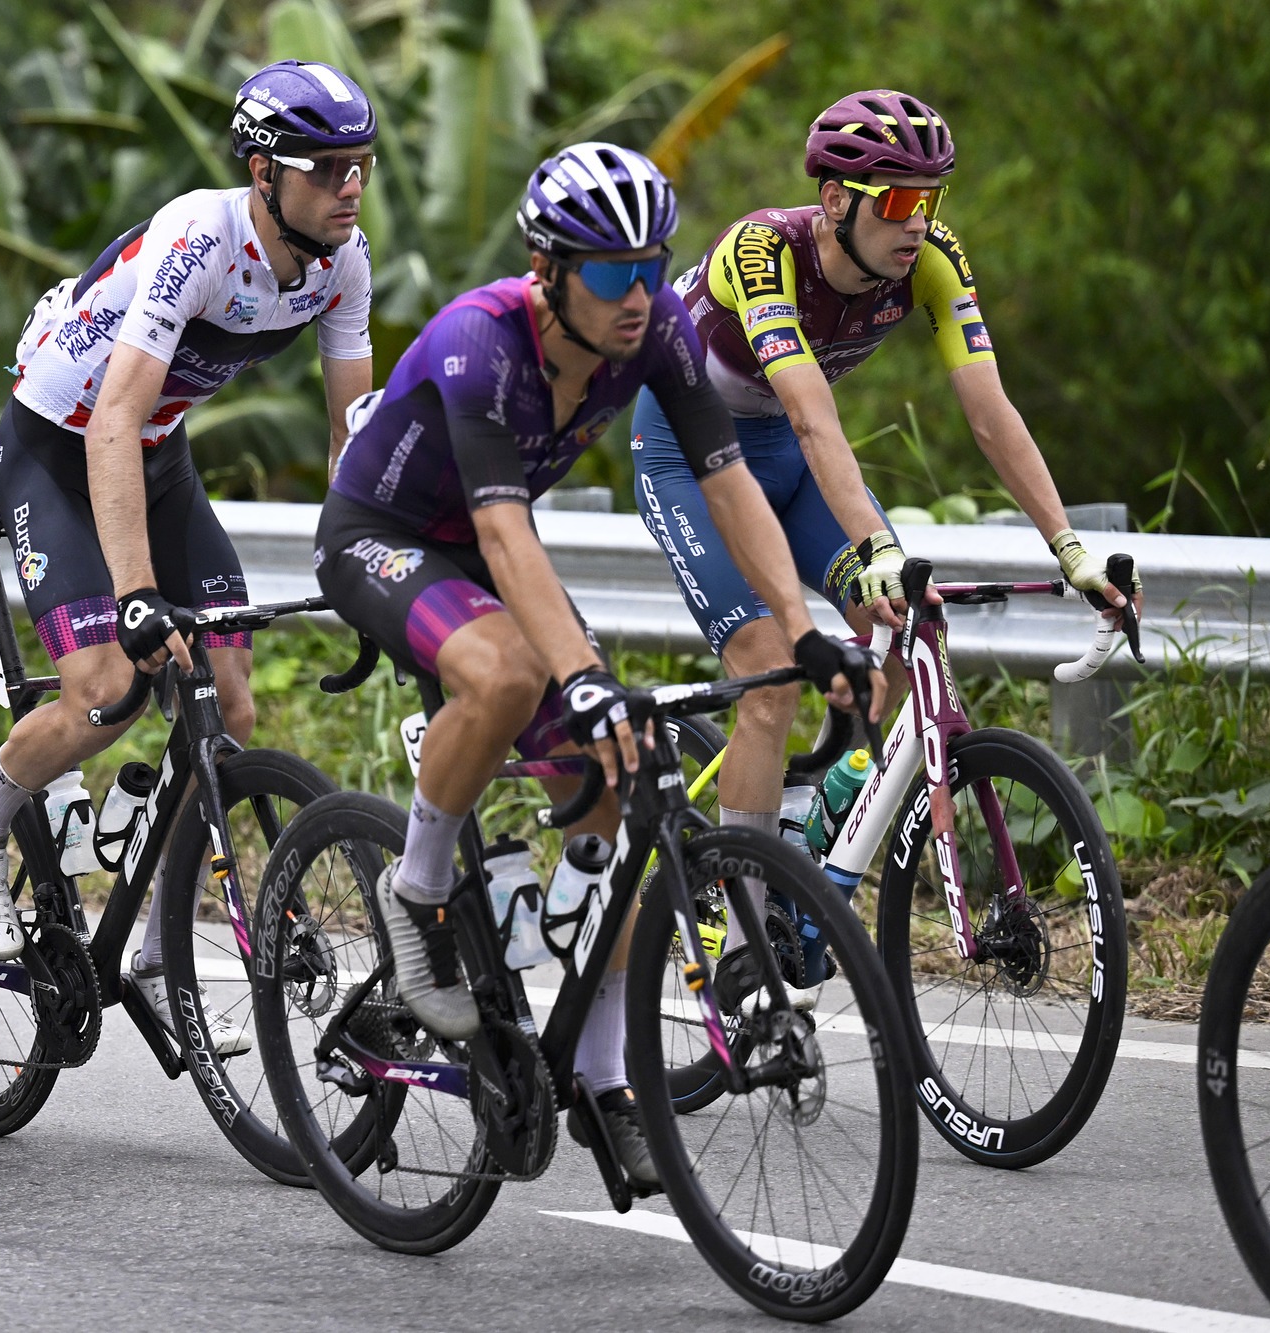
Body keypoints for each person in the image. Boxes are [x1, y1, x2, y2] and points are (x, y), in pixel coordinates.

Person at [318, 142, 879, 1188]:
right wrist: (576, 670)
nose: (640, 294)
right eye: (614, 273)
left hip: (492, 549)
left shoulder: (657, 327)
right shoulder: (477, 342)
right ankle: (416, 885)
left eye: (651, 264)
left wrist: (800, 630)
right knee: (509, 676)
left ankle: (597, 1073)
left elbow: (726, 481)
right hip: (386, 534)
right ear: (549, 269)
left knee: (623, 772)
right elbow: (500, 535)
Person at [634, 88, 1138, 979]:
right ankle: (743, 932)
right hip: (689, 455)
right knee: (768, 673)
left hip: (787, 461)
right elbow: (815, 415)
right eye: (900, 199)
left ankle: (819, 812)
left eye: (932, 197)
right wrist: (878, 547)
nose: (919, 222)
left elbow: (990, 414)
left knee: (911, 634)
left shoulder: (931, 260)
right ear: (837, 200)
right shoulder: (764, 253)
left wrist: (1070, 547)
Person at [0, 60, 377, 1055]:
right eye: (327, 168)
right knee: (107, 688)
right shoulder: (196, 238)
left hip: (155, 450)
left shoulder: (342, 263)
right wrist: (136, 595)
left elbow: (349, 435)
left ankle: (155, 943)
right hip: (60, 440)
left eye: (361, 165)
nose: (349, 186)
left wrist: (367, 568)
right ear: (265, 173)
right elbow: (111, 420)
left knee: (229, 702)